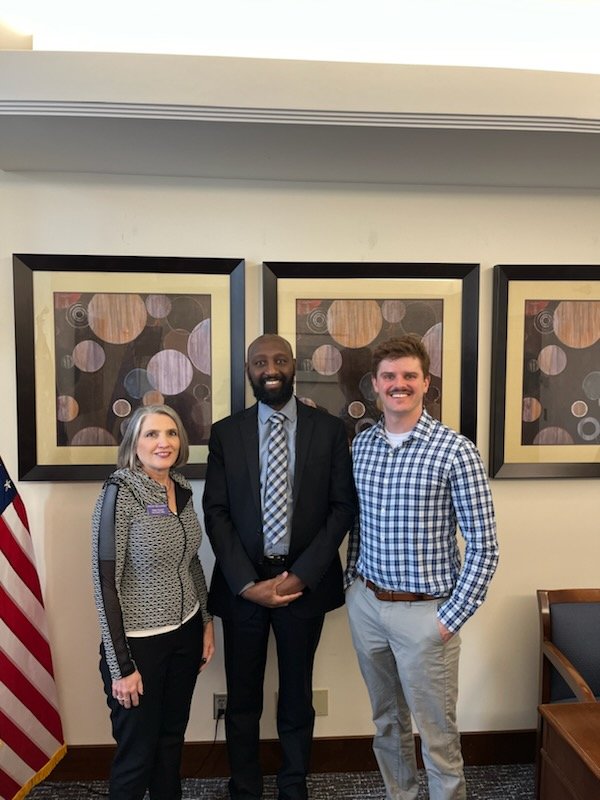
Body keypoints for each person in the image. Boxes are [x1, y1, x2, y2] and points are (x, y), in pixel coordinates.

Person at [203, 334, 356, 800]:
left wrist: (301, 575)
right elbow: (216, 512)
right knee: (243, 699)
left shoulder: (328, 430)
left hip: (303, 586)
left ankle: (294, 785)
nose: (270, 368)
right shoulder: (226, 433)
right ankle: (244, 788)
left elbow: (341, 508)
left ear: (294, 366)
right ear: (248, 371)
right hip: (242, 587)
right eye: (259, 361)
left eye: (280, 360)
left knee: (297, 696)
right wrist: (248, 584)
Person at [345, 335, 499, 800]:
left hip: (427, 616)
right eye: (389, 376)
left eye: (409, 376)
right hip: (368, 607)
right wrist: (353, 585)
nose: (399, 385)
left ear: (425, 383)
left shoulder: (456, 451)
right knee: (386, 724)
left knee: (437, 735)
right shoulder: (362, 448)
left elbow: (485, 546)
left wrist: (448, 621)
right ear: (375, 385)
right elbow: (357, 524)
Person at [92, 404, 214, 800]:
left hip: (186, 634)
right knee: (137, 756)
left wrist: (207, 622)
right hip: (139, 645)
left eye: (172, 434)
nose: (164, 443)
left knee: (170, 744)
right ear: (134, 443)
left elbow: (191, 559)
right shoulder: (119, 492)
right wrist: (121, 666)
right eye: (152, 434)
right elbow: (105, 584)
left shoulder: (181, 487)